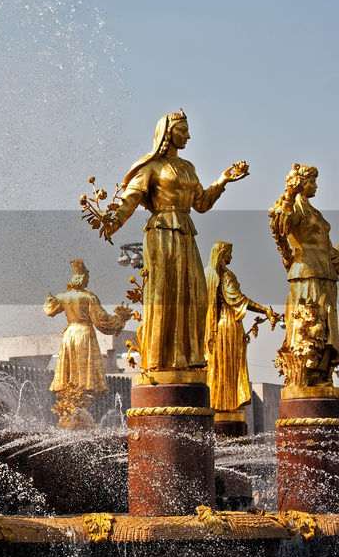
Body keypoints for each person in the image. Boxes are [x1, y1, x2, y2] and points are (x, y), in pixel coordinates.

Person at [103, 112, 247, 374]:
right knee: (165, 293)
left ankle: (189, 354)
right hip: (161, 232)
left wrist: (223, 180)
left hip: (186, 233)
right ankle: (161, 358)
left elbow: (201, 204)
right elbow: (130, 199)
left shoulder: (188, 167)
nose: (188, 136)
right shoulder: (152, 166)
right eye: (183, 131)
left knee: (194, 293)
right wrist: (113, 221)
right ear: (168, 133)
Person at [269, 164, 339, 377]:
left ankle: (322, 372)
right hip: (306, 272)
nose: (315, 186)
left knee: (325, 326)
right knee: (309, 324)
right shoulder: (295, 208)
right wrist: (289, 195)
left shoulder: (314, 211)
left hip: (326, 273)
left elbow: (328, 249)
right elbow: (282, 225)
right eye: (312, 181)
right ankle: (307, 371)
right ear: (300, 184)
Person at [44, 258, 131, 427]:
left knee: (70, 375)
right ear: (82, 278)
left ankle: (70, 412)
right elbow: (102, 320)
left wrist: (49, 300)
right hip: (84, 335)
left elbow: (49, 311)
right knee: (82, 375)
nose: (88, 281)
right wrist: (119, 319)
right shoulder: (89, 297)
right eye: (87, 278)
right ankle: (79, 411)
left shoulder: (63, 297)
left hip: (70, 334)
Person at [204, 241, 277, 413]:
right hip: (227, 325)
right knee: (229, 366)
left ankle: (215, 402)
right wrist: (264, 310)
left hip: (209, 327)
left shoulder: (205, 274)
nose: (231, 257)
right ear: (222, 255)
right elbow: (238, 299)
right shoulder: (226, 275)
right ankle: (227, 404)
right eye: (229, 253)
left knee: (215, 366)